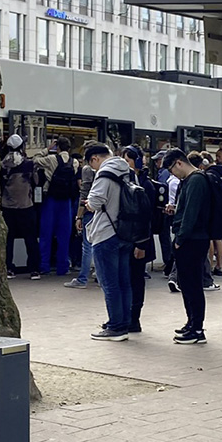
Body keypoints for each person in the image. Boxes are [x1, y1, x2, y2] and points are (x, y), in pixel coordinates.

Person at [83, 142, 133, 341]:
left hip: (106, 233)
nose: (93, 168)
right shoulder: (127, 171)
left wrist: (88, 203)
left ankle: (115, 326)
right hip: (125, 232)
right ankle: (124, 320)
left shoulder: (104, 174)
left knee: (109, 283)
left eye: (91, 164)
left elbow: (95, 202)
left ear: (95, 158)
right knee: (123, 281)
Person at [163, 148, 211, 344]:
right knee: (187, 284)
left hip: (192, 240)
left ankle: (197, 328)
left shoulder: (196, 181)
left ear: (179, 163)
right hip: (192, 238)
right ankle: (191, 323)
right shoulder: (192, 181)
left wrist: (179, 239)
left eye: (171, 169)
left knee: (192, 285)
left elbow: (191, 214)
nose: (172, 174)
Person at [121, 145, 156, 333]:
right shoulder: (127, 181)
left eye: (127, 161)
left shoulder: (144, 185)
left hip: (139, 240)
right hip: (130, 239)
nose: (125, 165)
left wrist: (141, 243)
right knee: (128, 279)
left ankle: (134, 318)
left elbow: (145, 217)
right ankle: (125, 316)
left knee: (135, 280)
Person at [0, 135, 40, 279]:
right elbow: (36, 181)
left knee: (8, 239)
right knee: (30, 238)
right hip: (26, 205)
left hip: (7, 206)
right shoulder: (29, 164)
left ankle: (9, 268)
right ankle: (34, 269)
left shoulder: (3, 164)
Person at [34, 136, 75, 278]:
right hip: (66, 201)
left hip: (51, 199)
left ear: (57, 148)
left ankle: (44, 265)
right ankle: (62, 267)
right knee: (64, 235)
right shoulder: (74, 162)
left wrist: (47, 149)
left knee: (46, 234)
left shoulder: (51, 159)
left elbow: (35, 159)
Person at [65, 142, 97, 288]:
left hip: (89, 210)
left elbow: (84, 193)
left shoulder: (87, 169)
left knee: (87, 246)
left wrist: (79, 215)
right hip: (103, 212)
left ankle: (82, 279)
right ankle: (100, 277)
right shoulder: (106, 169)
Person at [206, 154, 222, 276]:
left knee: (209, 238)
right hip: (221, 208)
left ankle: (209, 266)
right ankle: (219, 265)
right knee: (218, 238)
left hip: (211, 208)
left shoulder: (208, 174)